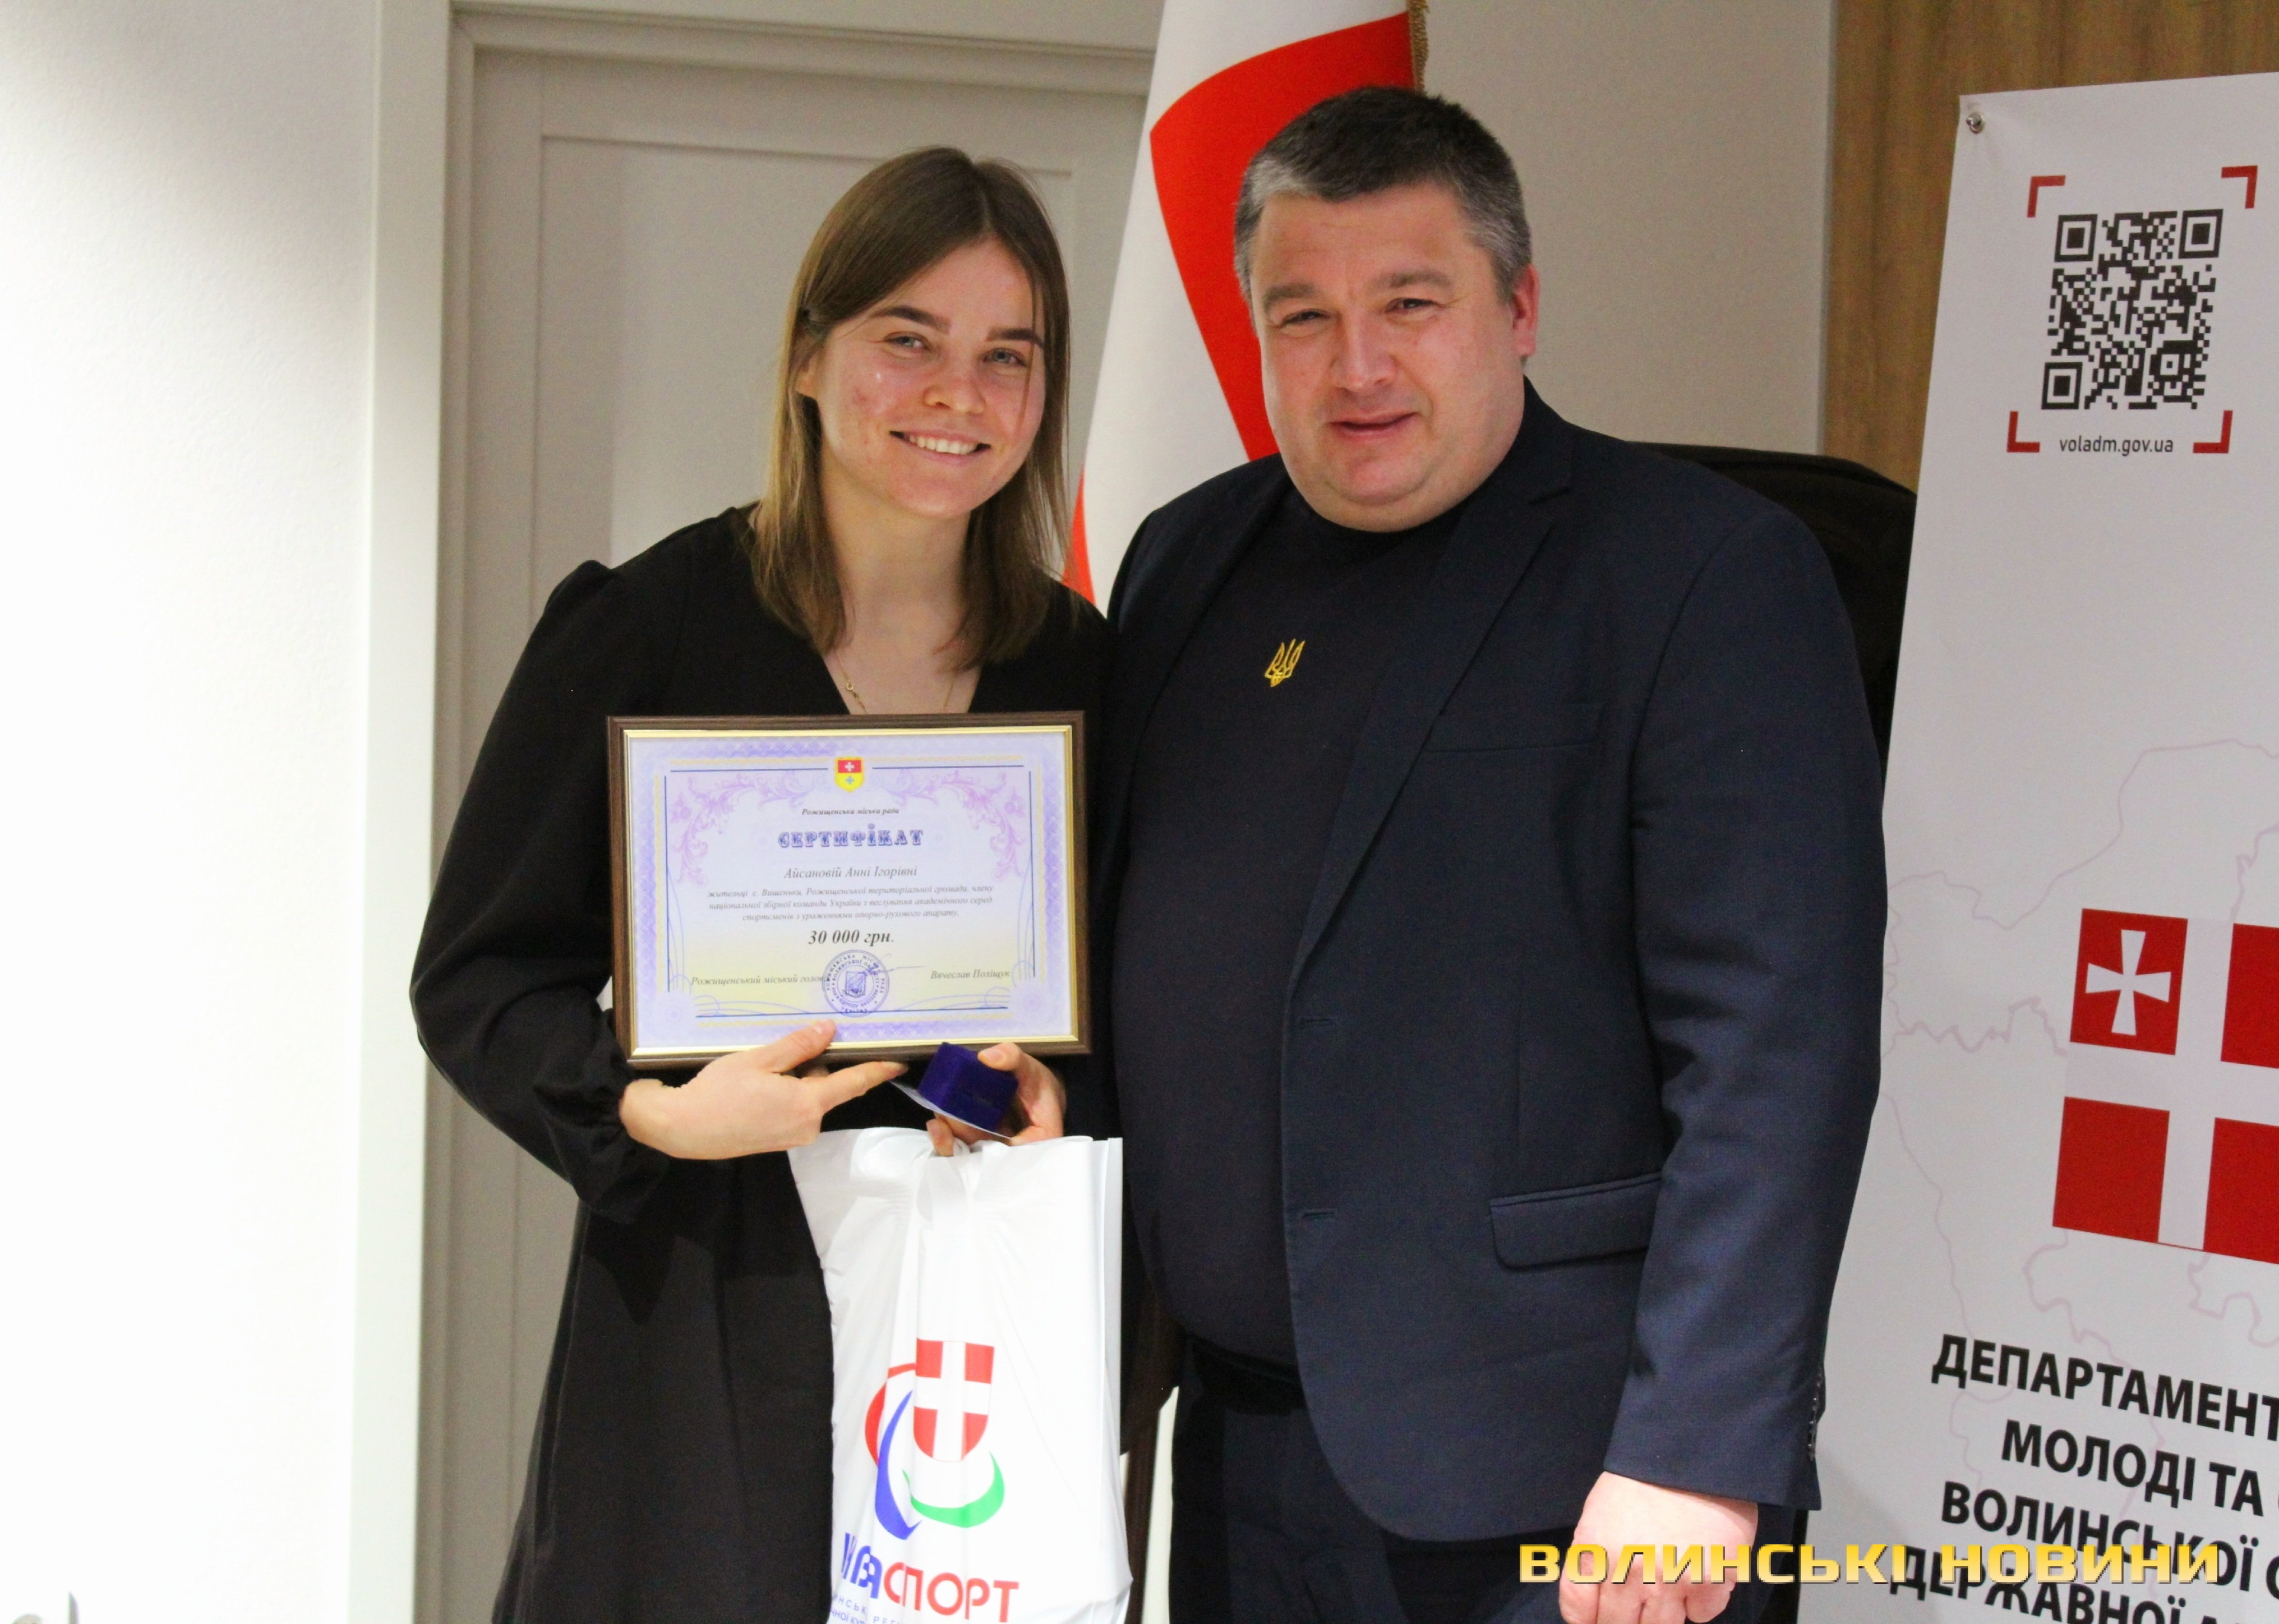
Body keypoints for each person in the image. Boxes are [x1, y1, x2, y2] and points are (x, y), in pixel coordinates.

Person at [1096, 89, 1885, 1624]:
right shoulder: (1183, 559)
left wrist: (1695, 1450)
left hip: (1573, 1488)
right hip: (1237, 1458)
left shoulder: (1703, 574)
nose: (1358, 366)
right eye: (1304, 315)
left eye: (1411, 303)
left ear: (1519, 310)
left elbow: (1776, 1051)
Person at [412, 147, 1109, 1623]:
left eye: (1009, 354)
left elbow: (1139, 992)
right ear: (807, 356)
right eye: (908, 339)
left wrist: (1056, 1090)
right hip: (706, 1298)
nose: (959, 392)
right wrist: (647, 1112)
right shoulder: (648, 630)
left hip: (961, 1305)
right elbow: (479, 977)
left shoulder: (1086, 672)